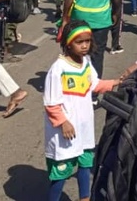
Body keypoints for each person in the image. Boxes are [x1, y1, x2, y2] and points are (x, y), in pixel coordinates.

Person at [44, 20, 117, 201]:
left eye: (88, 41)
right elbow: (51, 103)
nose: (85, 46)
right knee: (61, 171)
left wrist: (116, 82)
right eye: (79, 42)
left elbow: (95, 84)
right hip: (65, 132)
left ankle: (85, 198)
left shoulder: (86, 62)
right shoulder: (58, 69)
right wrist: (63, 122)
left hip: (84, 129)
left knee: (85, 165)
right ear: (68, 43)